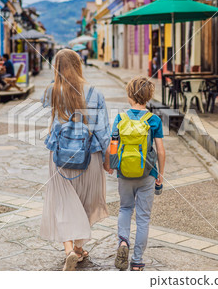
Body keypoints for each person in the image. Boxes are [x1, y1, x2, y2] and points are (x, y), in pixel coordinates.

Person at [40, 49, 111, 271]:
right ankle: (79, 248)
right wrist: (108, 160)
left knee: (63, 203)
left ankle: (71, 250)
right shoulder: (95, 93)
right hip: (89, 156)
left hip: (60, 156)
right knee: (86, 201)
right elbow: (103, 131)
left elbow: (51, 121)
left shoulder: (52, 90)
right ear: (78, 64)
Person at [111, 77, 166, 271]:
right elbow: (160, 150)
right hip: (147, 172)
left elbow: (113, 145)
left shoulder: (120, 118)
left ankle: (123, 242)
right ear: (149, 96)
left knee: (125, 209)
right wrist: (160, 173)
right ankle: (137, 261)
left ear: (129, 96)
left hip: (124, 173)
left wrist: (111, 165)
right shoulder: (154, 120)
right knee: (143, 217)